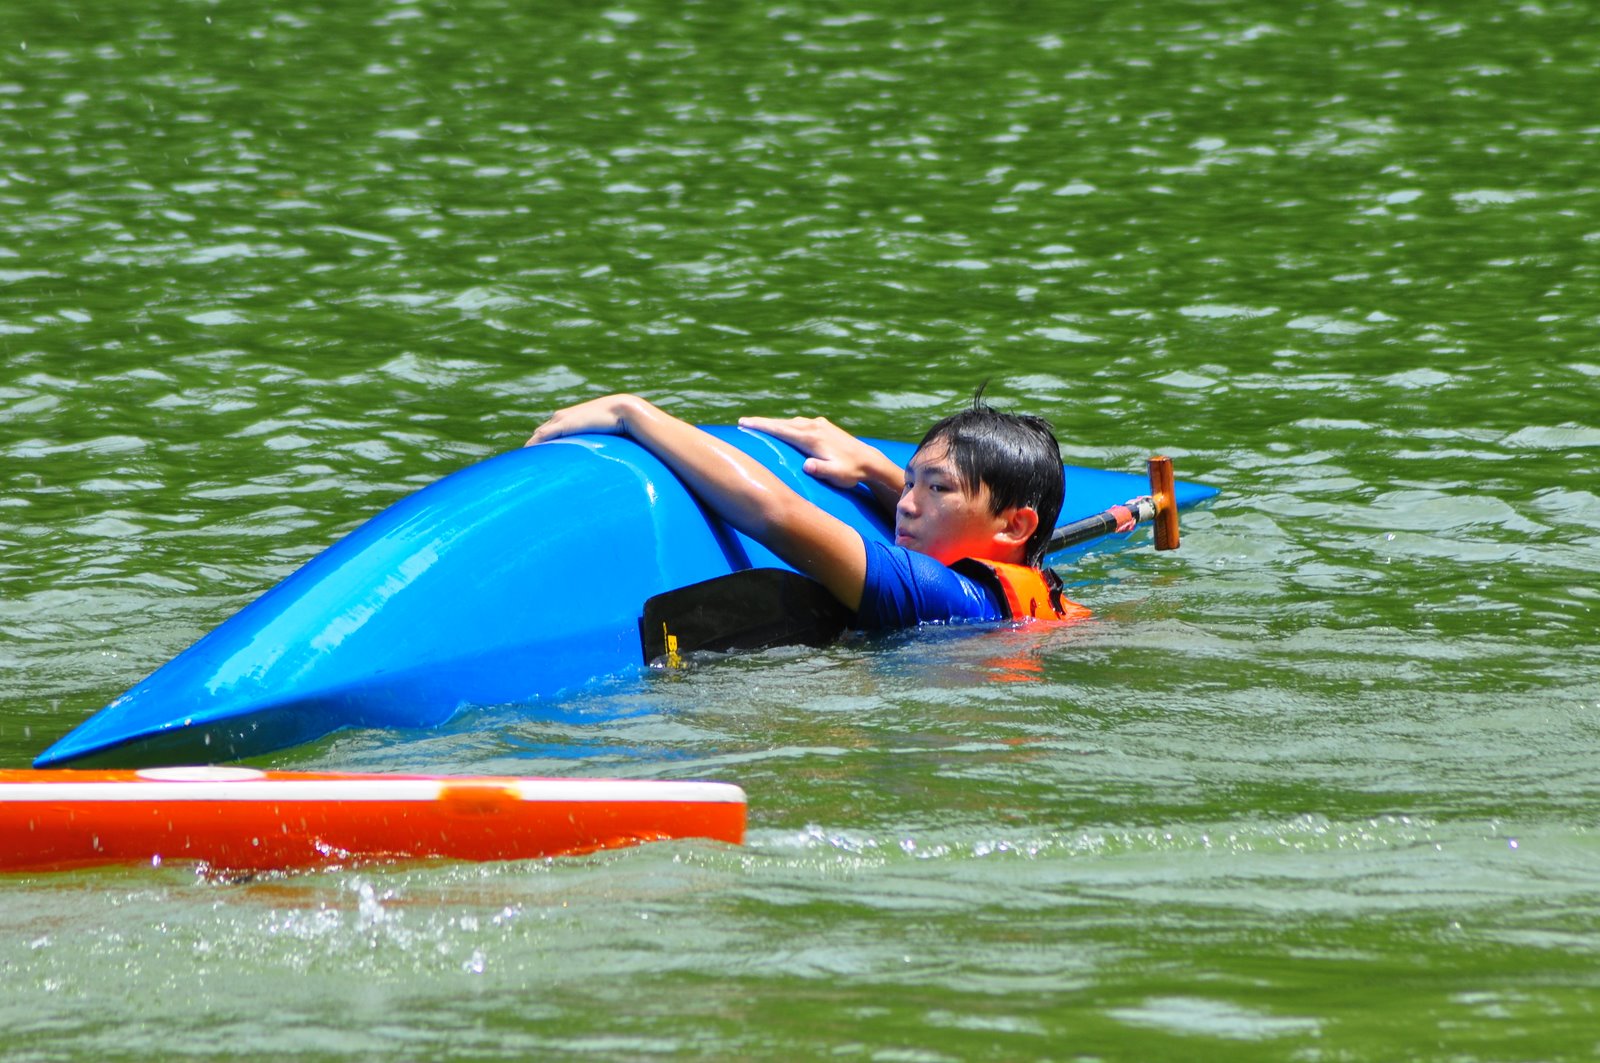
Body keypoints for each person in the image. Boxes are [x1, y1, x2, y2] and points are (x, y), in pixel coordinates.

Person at [526, 392, 1088, 630]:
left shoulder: (933, 595)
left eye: (936, 489)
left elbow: (777, 513)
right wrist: (872, 466)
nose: (908, 505)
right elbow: (968, 530)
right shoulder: (1032, 589)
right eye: (910, 480)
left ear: (1016, 525)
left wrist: (635, 414)